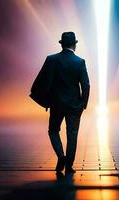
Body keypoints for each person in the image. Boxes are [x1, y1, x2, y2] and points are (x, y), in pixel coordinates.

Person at [30, 32, 90, 174]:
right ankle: (69, 166)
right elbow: (86, 85)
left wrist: (45, 101)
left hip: (56, 104)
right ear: (74, 45)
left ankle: (60, 157)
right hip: (74, 105)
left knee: (53, 131)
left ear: (61, 44)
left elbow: (41, 81)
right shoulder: (80, 62)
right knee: (72, 135)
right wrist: (83, 104)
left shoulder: (51, 60)